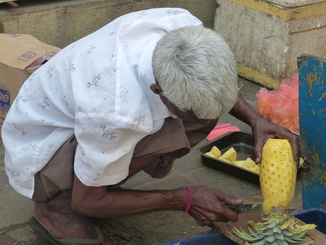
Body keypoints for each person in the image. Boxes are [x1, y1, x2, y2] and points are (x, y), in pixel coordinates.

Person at [2, 8, 299, 245]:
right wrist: (183, 199)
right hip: (42, 148)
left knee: (201, 118)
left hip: (92, 120)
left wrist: (255, 118)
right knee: (87, 198)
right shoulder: (115, 113)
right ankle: (55, 209)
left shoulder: (184, 29)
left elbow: (210, 81)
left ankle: (106, 179)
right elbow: (87, 200)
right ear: (158, 90)